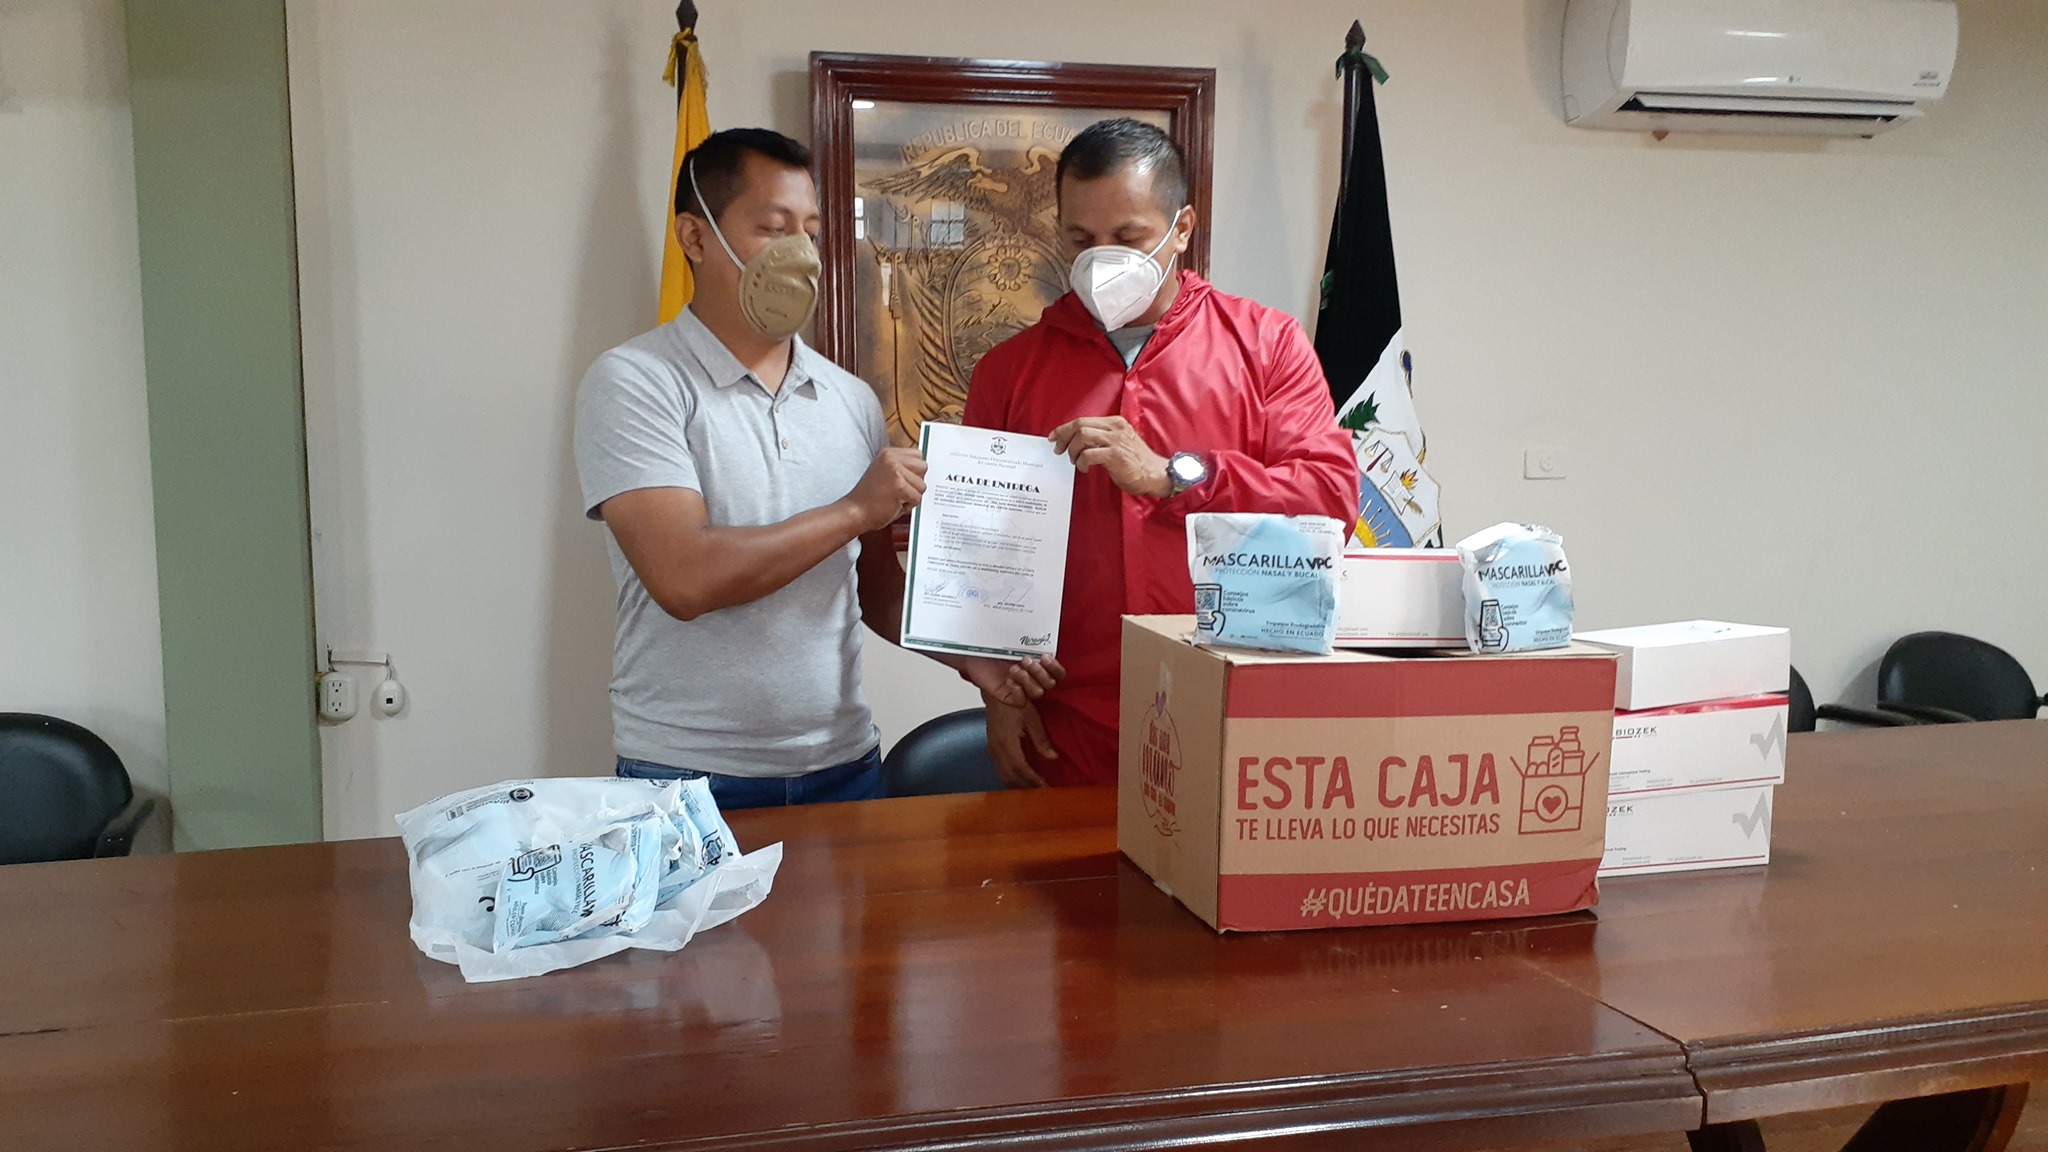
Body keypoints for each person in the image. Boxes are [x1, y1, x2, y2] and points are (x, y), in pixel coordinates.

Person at [574, 128, 1050, 809]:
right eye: (774, 229)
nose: (800, 252)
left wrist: (973, 661)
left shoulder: (849, 399)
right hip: (688, 775)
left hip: (843, 763)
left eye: (812, 231)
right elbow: (684, 578)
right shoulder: (636, 381)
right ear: (695, 237)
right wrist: (855, 509)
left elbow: (873, 586)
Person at [963, 118, 1360, 788]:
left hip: (1237, 709)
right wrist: (994, 687)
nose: (1101, 260)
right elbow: (978, 547)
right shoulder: (1009, 371)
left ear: (1182, 229)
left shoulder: (1266, 345)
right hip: (1069, 723)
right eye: (1080, 239)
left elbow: (1329, 500)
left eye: (1128, 238)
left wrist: (1174, 476)